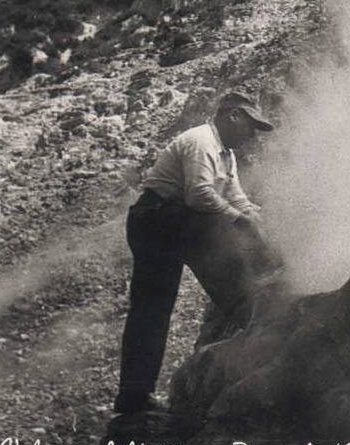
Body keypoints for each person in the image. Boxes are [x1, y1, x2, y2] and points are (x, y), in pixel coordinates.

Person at [114, 91, 276, 414]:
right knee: (153, 308)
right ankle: (134, 397)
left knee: (175, 300)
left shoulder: (226, 154)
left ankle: (244, 315)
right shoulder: (201, 141)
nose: (252, 134)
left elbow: (235, 196)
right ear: (233, 116)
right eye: (250, 125)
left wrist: (260, 218)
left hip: (176, 223)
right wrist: (242, 220)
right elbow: (199, 195)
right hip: (157, 220)